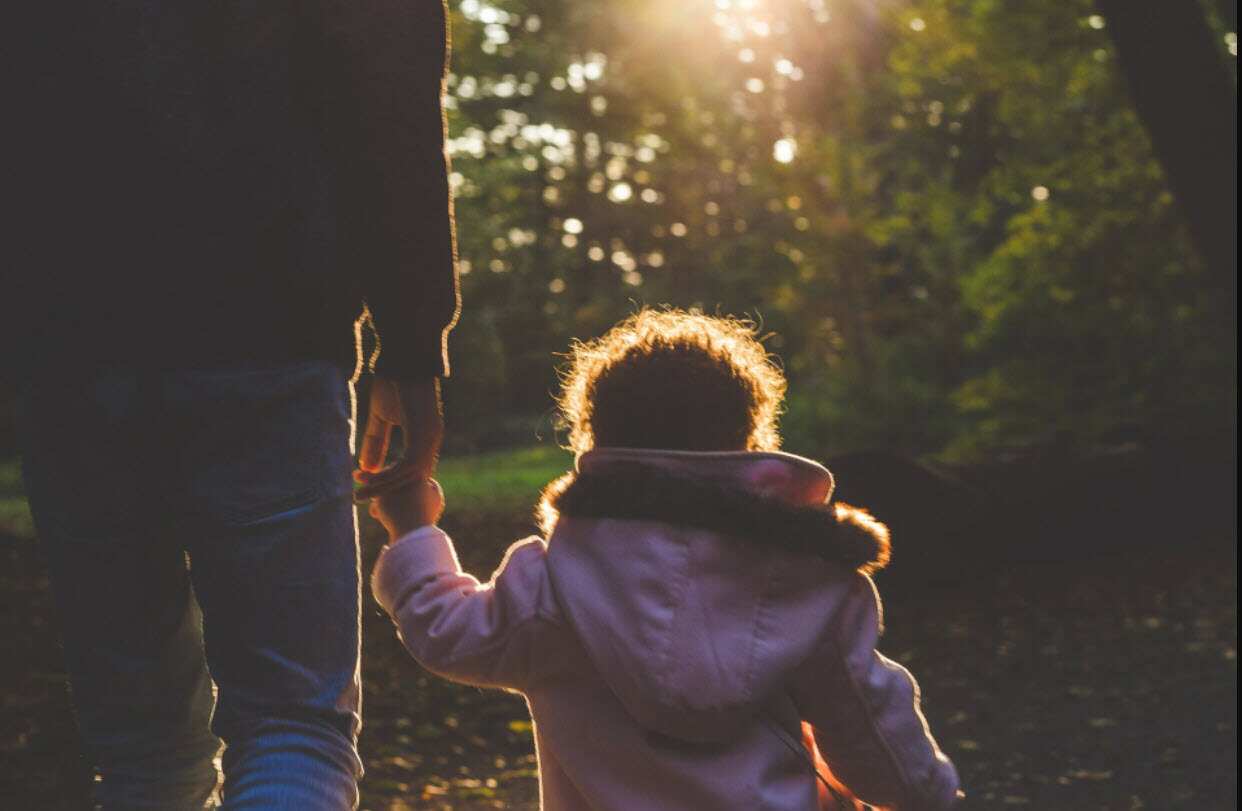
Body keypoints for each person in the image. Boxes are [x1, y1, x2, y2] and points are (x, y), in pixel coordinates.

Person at [9, 1, 459, 808]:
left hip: (67, 352)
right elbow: (389, 96)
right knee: (294, 726)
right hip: (269, 331)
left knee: (141, 750)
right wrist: (413, 340)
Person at [364, 310, 962, 810]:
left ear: (593, 440)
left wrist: (413, 527)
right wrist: (927, 796)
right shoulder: (808, 581)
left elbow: (448, 631)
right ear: (749, 440)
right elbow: (870, 728)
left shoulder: (551, 586)